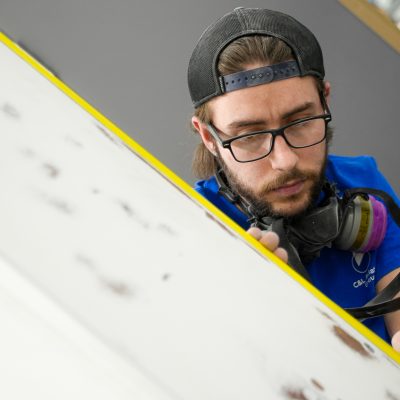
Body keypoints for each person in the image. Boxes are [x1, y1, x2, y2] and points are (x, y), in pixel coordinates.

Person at [187, 7, 400, 351]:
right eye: (248, 136)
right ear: (209, 138)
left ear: (324, 100)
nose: (284, 161)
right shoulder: (193, 225)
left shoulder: (364, 181)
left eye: (301, 122)